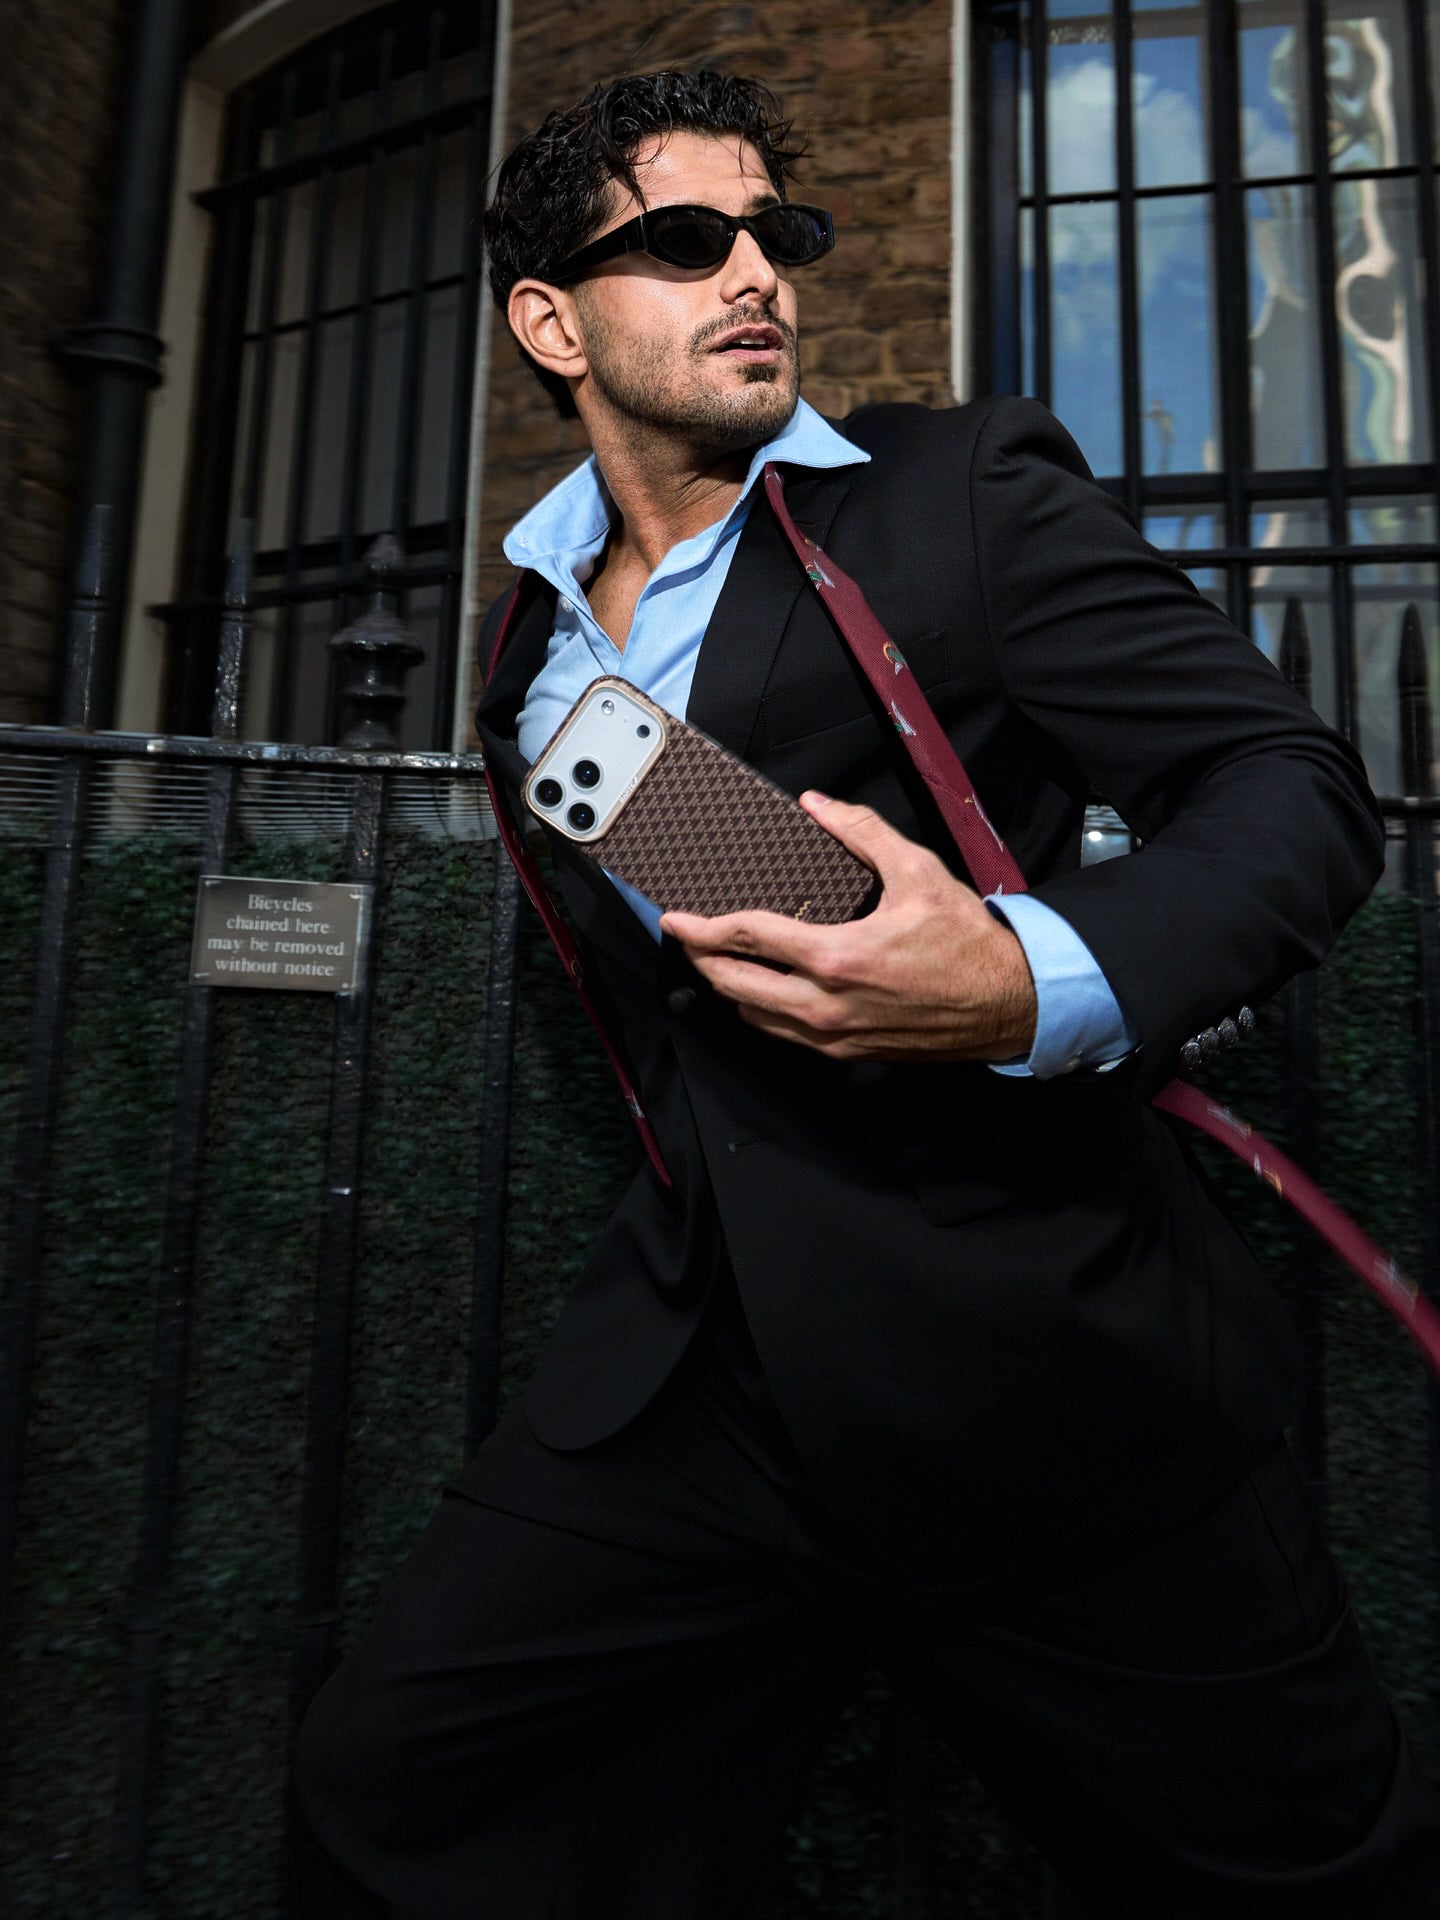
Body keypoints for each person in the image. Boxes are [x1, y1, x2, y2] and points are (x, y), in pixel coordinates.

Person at [290, 69, 1440, 1917]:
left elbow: (1292, 791)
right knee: (399, 1785)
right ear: (548, 320)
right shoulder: (530, 636)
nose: (757, 271)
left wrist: (1021, 979)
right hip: (703, 1378)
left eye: (778, 233)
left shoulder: (953, 498)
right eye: (686, 239)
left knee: (1303, 1876)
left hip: (1036, 1361)